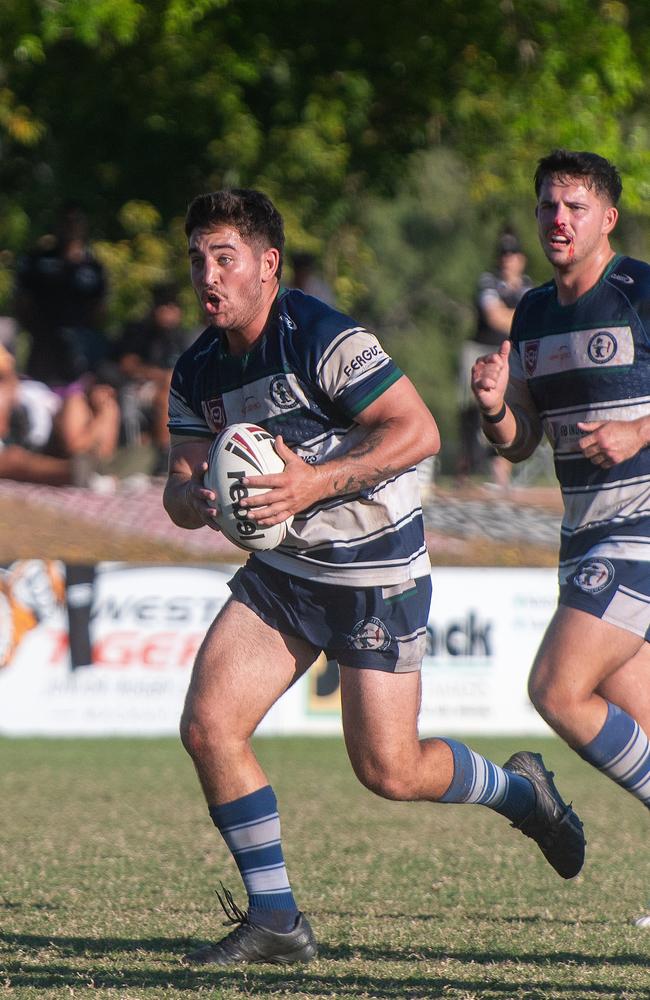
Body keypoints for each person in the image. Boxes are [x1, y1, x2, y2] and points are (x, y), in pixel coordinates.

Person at [163, 188, 585, 968]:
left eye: (224, 258)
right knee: (208, 726)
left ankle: (521, 793)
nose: (207, 276)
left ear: (268, 265)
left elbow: (417, 430)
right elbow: (179, 484)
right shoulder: (196, 369)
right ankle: (277, 921)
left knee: (389, 769)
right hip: (285, 574)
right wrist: (197, 497)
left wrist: (310, 485)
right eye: (197, 260)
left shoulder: (320, 335)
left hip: (374, 570)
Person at [471, 149, 650, 923]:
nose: (558, 219)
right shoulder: (534, 312)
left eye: (574, 206)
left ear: (607, 217)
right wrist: (492, 408)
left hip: (640, 529)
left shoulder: (642, 292)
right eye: (548, 205)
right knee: (638, 724)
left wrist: (639, 430)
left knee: (555, 688)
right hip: (583, 537)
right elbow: (521, 443)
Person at [458, 231, 532, 488]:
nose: (506, 260)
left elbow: (511, 317)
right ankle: (465, 469)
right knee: (470, 409)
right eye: (503, 254)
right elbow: (495, 317)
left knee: (511, 406)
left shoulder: (527, 286)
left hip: (508, 352)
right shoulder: (488, 282)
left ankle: (500, 472)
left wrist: (510, 314)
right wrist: (518, 315)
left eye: (511, 255)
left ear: (521, 259)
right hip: (480, 349)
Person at [114, 282, 195, 475]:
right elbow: (127, 364)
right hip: (139, 387)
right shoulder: (140, 332)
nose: (168, 312)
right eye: (163, 306)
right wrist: (162, 375)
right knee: (166, 393)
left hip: (175, 389)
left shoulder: (182, 336)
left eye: (173, 307)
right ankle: (164, 455)